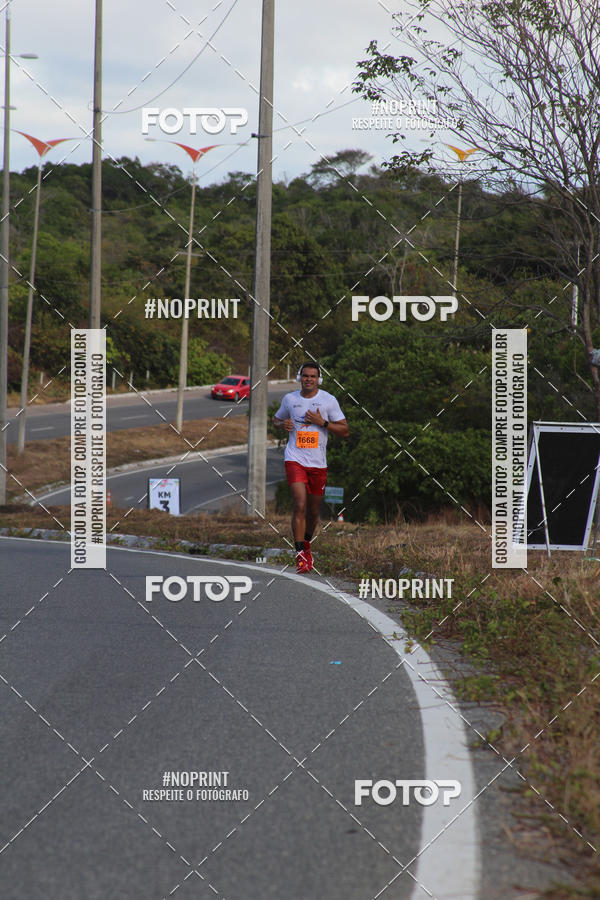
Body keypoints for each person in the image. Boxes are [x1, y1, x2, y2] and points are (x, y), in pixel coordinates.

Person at [273, 362, 349, 573]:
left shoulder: (328, 400)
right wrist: (282, 425)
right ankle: (299, 555)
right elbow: (276, 420)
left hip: (318, 463)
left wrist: (322, 422)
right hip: (295, 458)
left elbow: (344, 430)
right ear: (300, 377)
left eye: (313, 376)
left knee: (313, 511)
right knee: (300, 504)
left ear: (319, 379)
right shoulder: (290, 399)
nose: (308, 379)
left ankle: (307, 544)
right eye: (305, 376)